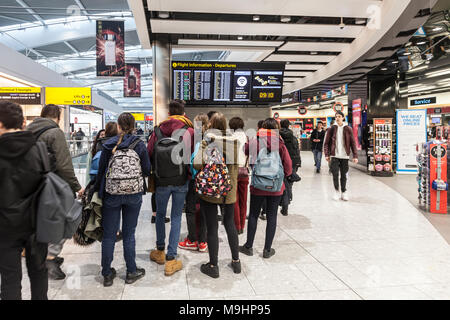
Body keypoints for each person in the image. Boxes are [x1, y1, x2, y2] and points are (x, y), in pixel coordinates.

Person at [27, 104, 84, 280]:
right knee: (69, 217)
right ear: (58, 117)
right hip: (53, 185)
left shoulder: (28, 131)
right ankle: (50, 258)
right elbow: (64, 165)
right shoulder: (55, 133)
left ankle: (42, 254)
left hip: (30, 184)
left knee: (40, 220)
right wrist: (77, 187)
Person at [94, 112, 151, 287]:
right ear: (134, 127)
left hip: (112, 194)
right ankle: (131, 271)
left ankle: (106, 273)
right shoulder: (139, 145)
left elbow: (101, 171)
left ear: (118, 126)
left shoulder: (107, 144)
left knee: (109, 235)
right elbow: (147, 170)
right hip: (133, 194)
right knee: (129, 234)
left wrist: (97, 190)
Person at [0, 101, 48, 300]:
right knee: (38, 272)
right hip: (37, 221)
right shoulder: (38, 147)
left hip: (5, 225)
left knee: (10, 279)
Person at [147, 100, 194, 277]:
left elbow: (149, 152)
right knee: (175, 217)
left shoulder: (157, 130)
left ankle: (159, 251)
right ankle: (171, 259)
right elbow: (192, 156)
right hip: (181, 180)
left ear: (168, 112)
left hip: (161, 181)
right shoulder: (189, 131)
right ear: (183, 113)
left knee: (160, 214)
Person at [193, 112, 241, 278]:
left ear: (210, 125)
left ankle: (213, 266)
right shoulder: (235, 142)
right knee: (230, 225)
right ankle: (236, 262)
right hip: (229, 190)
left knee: (212, 228)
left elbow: (197, 163)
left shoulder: (208, 141)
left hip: (211, 192)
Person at [239, 118, 292, 259]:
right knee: (272, 215)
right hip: (275, 185)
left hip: (258, 185)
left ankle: (248, 246)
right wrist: (284, 176)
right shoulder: (279, 142)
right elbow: (288, 165)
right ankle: (267, 250)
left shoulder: (256, 140)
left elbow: (244, 149)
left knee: (254, 214)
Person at [178, 113, 209, 252]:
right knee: (204, 210)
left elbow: (191, 161)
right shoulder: (212, 138)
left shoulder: (193, 138)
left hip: (194, 179)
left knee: (190, 210)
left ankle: (192, 239)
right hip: (209, 180)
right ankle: (203, 241)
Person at [323, 111, 358, 201]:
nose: (337, 118)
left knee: (344, 175)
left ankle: (344, 191)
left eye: (339, 116)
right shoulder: (331, 129)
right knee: (335, 174)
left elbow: (353, 143)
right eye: (336, 117)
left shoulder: (348, 129)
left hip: (345, 156)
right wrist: (327, 154)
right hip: (334, 155)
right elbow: (326, 143)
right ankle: (336, 191)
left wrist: (355, 155)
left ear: (343, 117)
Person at [229, 117, 249, 234]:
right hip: (245, 171)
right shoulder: (247, 138)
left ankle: (237, 226)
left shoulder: (230, 138)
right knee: (243, 200)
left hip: (233, 171)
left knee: (235, 200)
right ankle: (242, 224)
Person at [278, 119, 301, 216]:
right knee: (289, 184)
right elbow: (297, 151)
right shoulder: (293, 137)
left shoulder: (277, 138)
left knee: (280, 184)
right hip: (293, 162)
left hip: (281, 162)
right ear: (288, 126)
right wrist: (298, 163)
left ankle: (280, 203)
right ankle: (286, 206)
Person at [257, 119, 267, 221]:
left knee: (260, 194)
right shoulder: (278, 140)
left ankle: (260, 212)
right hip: (273, 174)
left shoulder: (255, 139)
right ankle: (265, 212)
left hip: (259, 172)